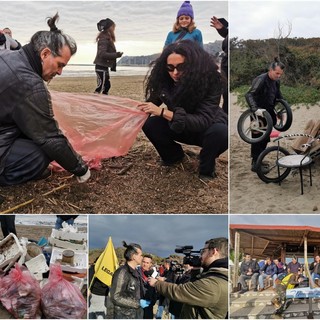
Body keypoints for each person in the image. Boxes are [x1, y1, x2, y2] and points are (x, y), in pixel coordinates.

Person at [0, 13, 90, 186]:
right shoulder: (29, 84)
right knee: (42, 153)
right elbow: (50, 138)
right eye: (60, 65)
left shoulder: (8, 57)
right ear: (45, 54)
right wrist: (81, 169)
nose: (60, 72)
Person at [138, 40, 228, 182]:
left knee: (221, 132)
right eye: (170, 67)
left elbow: (203, 120)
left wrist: (163, 112)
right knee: (150, 124)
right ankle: (173, 157)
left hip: (206, 129)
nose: (175, 73)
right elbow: (149, 104)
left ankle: (206, 168)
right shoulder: (164, 81)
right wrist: (124, 112)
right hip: (178, 127)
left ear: (193, 65)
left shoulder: (212, 81)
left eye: (181, 67)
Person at [149, 237, 228, 319]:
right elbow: (194, 285)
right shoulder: (215, 275)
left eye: (203, 251)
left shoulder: (213, 284)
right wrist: (196, 270)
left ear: (213, 252)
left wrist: (156, 283)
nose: (201, 256)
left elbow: (180, 291)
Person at [245, 59, 285, 172]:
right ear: (271, 70)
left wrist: (282, 109)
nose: (278, 76)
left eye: (280, 74)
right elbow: (249, 95)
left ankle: (260, 160)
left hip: (269, 112)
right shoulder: (261, 79)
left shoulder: (277, 81)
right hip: (258, 113)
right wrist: (254, 109)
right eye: (277, 73)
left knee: (265, 139)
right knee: (258, 138)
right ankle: (255, 164)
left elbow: (278, 97)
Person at [110, 241, 148, 319]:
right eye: (141, 255)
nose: (142, 257)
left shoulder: (137, 271)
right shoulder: (122, 272)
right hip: (125, 315)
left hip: (137, 313)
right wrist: (138, 303)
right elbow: (115, 297)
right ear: (133, 256)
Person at [93, 18, 123, 95]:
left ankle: (103, 101)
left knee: (106, 86)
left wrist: (116, 55)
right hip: (101, 66)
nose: (114, 29)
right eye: (113, 27)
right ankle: (96, 101)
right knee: (101, 87)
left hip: (104, 66)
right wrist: (116, 55)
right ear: (110, 28)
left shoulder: (107, 38)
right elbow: (102, 54)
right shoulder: (104, 38)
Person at [210, 16, 228, 114]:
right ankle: (225, 115)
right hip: (226, 62)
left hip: (228, 60)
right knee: (225, 92)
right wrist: (221, 29)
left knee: (226, 92)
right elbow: (227, 34)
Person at [137, 254, 158, 319]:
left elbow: (156, 290)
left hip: (149, 305)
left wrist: (153, 302)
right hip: (137, 305)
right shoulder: (136, 272)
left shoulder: (155, 274)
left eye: (147, 263)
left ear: (150, 264)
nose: (145, 264)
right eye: (143, 262)